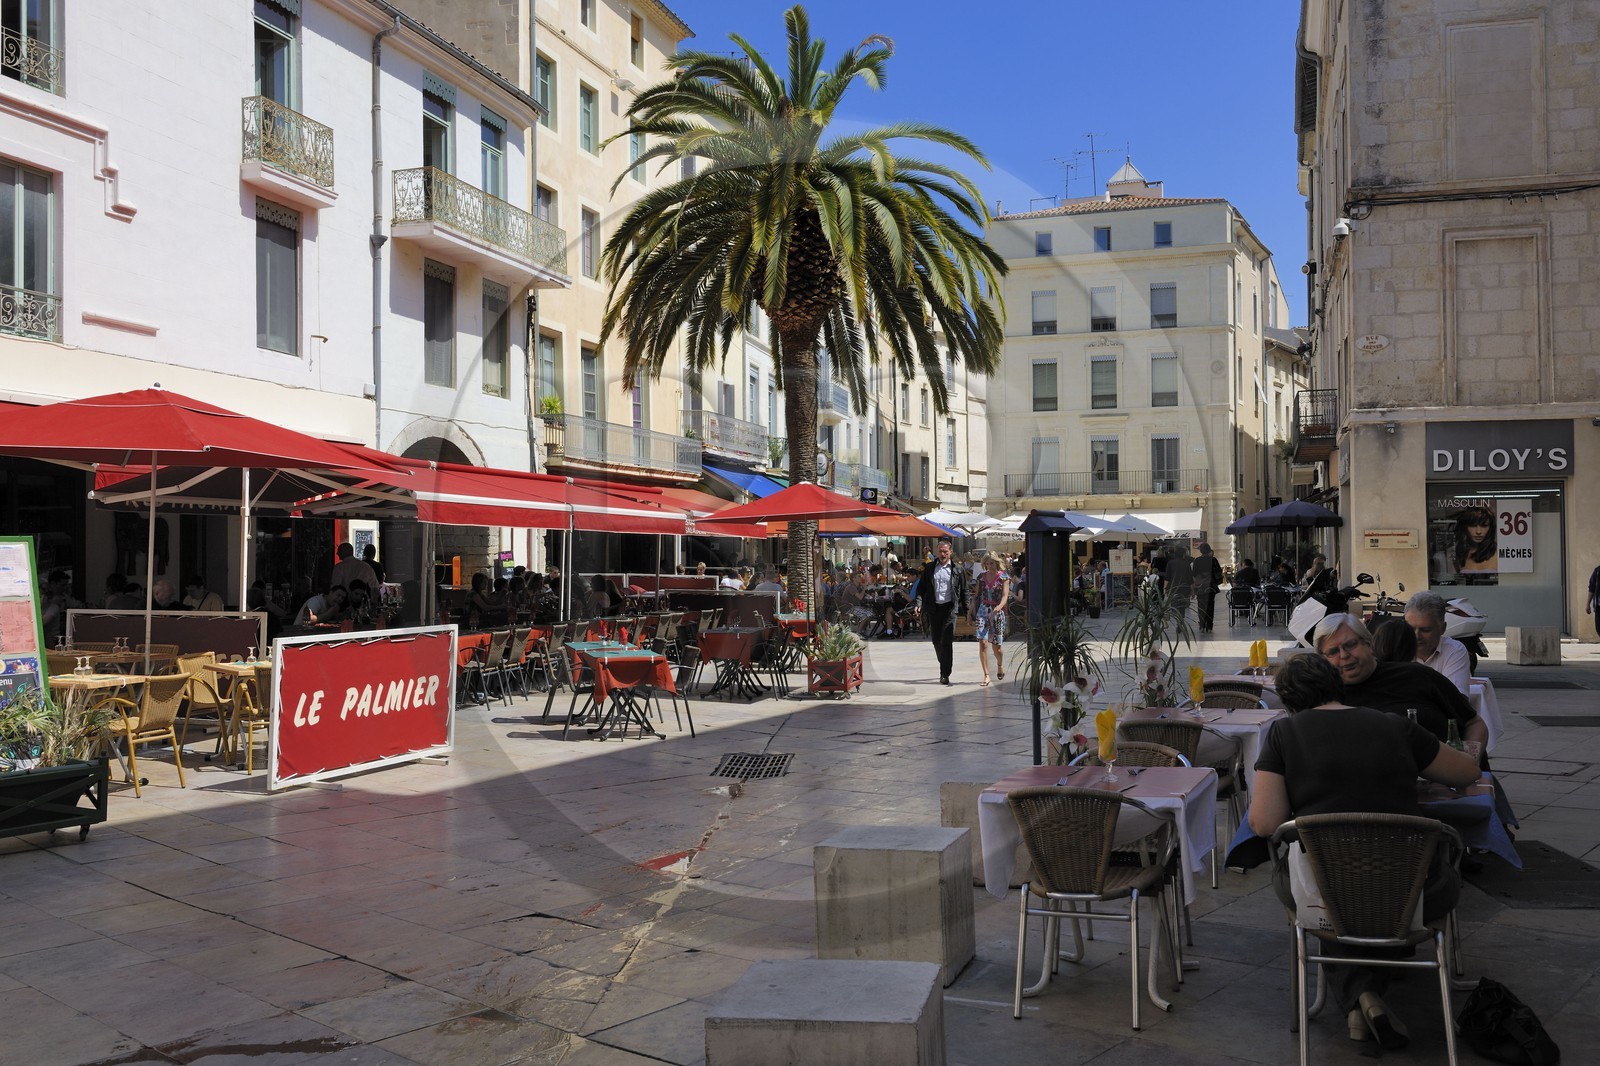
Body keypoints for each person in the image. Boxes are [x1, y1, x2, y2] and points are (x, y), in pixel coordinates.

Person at [1250, 654, 1479, 1050]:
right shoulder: (1394, 725)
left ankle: (1360, 997)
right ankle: (1367, 991)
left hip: (1327, 890)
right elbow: (1466, 772)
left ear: (1289, 701)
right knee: (1370, 894)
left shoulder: (1284, 734)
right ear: (1337, 685)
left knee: (1323, 887)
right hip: (1415, 889)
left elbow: (1265, 824)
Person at [1313, 613, 1486, 751]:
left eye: (1350, 645)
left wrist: (1469, 760)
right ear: (1323, 658)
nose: (1344, 655)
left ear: (1368, 642)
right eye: (1333, 651)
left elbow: (1474, 723)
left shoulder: (1419, 676)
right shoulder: (1325, 699)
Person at [916, 539, 969, 686]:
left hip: (950, 608)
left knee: (946, 641)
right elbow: (921, 589)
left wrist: (967, 611)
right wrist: (919, 603)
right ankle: (944, 662)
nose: (943, 554)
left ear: (951, 552)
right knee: (935, 641)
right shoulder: (930, 568)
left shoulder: (958, 570)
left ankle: (944, 673)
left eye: (945, 551)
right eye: (940, 551)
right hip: (934, 608)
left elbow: (965, 591)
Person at [1405, 590, 1471, 694]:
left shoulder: (1454, 651)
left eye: (1425, 630)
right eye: (1410, 629)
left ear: (1442, 628)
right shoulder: (1395, 649)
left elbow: (1456, 700)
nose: (1417, 636)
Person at [973, 553, 1010, 687]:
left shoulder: (1004, 577)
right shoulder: (981, 578)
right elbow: (976, 595)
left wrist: (999, 607)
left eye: (992, 563)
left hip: (997, 612)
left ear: (996, 563)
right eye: (987, 563)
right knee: (982, 643)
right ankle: (986, 675)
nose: (990, 566)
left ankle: (1000, 665)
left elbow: (1005, 596)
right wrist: (970, 610)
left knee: (997, 647)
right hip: (983, 610)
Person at [1454, 506, 1497, 575]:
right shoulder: (1455, 553)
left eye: (1484, 525)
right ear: (1465, 527)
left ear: (1490, 527)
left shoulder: (1498, 553)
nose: (1478, 531)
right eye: (1473, 525)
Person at [1192, 543, 1223, 633]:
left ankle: (1202, 625)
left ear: (1201, 551)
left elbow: (1194, 574)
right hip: (1211, 586)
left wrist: (1195, 586)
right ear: (1209, 550)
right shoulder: (1213, 560)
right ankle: (1209, 626)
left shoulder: (1197, 560)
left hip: (1201, 586)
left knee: (1201, 606)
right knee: (1210, 606)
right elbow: (1219, 572)